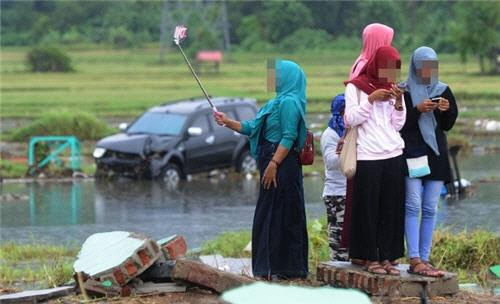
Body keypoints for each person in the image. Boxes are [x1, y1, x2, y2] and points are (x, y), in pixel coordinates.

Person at [214, 59, 308, 280]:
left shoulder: (289, 103)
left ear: (287, 78)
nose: (271, 79)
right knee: (269, 214)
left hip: (282, 165)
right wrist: (227, 121)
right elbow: (253, 127)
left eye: (276, 75)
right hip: (272, 162)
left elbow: (289, 137)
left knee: (284, 214)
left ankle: (286, 269)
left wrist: (274, 164)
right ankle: (270, 268)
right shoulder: (275, 102)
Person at [344, 46, 406, 275]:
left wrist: (399, 103)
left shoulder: (393, 88)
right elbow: (351, 119)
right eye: (388, 68)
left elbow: (398, 125)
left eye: (395, 70)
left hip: (393, 154)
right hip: (368, 155)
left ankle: (388, 257)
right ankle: (370, 258)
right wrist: (370, 100)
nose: (392, 75)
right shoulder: (355, 87)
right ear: (377, 65)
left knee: (391, 208)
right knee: (368, 209)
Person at [401, 46, 458, 277]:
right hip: (413, 154)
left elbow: (447, 125)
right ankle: (414, 258)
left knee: (430, 207)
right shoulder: (403, 91)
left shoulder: (443, 90)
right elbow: (399, 124)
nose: (427, 71)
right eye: (423, 66)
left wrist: (444, 110)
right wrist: (416, 110)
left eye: (431, 66)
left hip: (436, 157)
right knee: (413, 204)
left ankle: (425, 258)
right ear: (415, 67)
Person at [341, 23, 395, 265]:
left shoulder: (376, 66)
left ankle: (377, 254)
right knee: (365, 204)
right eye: (386, 41)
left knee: (377, 204)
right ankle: (365, 253)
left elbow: (395, 121)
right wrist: (372, 100)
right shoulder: (364, 68)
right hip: (366, 148)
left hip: (386, 148)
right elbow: (352, 113)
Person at [321, 94, 348, 261]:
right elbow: (331, 162)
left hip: (349, 191)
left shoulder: (352, 131)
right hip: (337, 193)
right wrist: (345, 152)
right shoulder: (330, 134)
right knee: (338, 239)